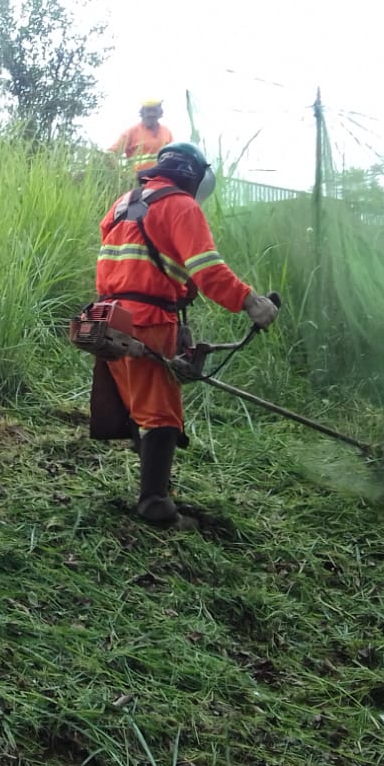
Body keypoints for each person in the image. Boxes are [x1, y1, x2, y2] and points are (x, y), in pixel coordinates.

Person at [90, 142, 278, 529]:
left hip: (110, 319)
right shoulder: (181, 206)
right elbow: (208, 269)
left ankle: (158, 489)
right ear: (193, 178)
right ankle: (155, 505)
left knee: (140, 407)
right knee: (161, 416)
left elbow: (127, 260)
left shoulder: (123, 203)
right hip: (147, 320)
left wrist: (176, 286)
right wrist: (252, 302)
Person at [109, 99, 174, 172]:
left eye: (154, 110)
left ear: (160, 112)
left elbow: (174, 154)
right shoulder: (131, 131)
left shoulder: (166, 131)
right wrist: (120, 173)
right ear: (142, 112)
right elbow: (111, 153)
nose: (151, 114)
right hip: (138, 179)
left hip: (161, 178)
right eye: (148, 111)